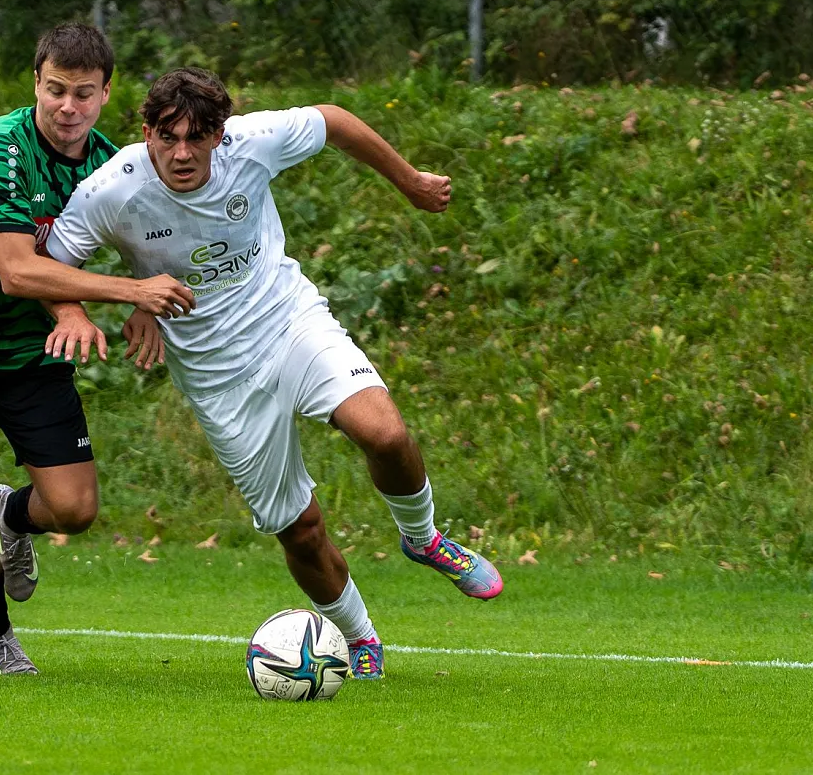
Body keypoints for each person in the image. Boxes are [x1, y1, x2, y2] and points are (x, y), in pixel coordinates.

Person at [44, 67, 503, 680]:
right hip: (217, 378)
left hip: (289, 322)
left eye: (197, 138)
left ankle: (424, 538)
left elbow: (334, 121)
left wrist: (410, 181)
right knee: (301, 530)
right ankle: (359, 639)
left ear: (220, 134)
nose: (182, 154)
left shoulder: (252, 142)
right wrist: (93, 307)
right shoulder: (112, 190)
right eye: (168, 137)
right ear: (146, 131)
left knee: (386, 433)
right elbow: (50, 264)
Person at [0, 24, 195, 675]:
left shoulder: (112, 166)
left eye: (83, 93)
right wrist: (127, 291)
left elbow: (159, 238)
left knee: (74, 510)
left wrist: (146, 301)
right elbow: (17, 271)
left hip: (29, 349)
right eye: (56, 90)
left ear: (106, 94)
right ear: (36, 83)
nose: (68, 107)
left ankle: (13, 512)